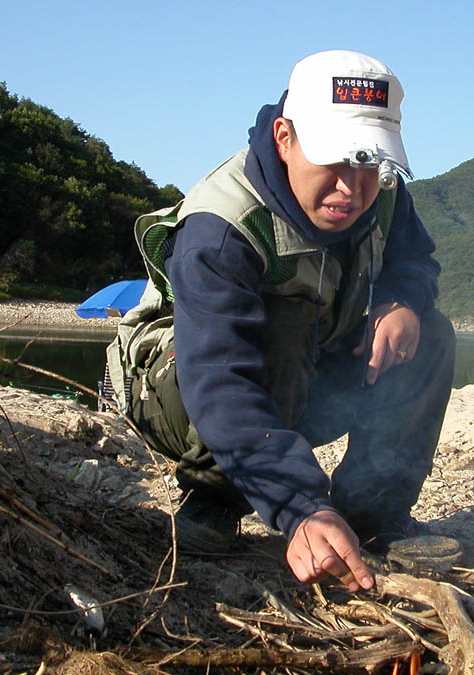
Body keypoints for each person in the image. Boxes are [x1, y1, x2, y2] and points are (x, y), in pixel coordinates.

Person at [131, 50, 456, 592]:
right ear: (284, 138)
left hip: (305, 375)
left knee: (431, 334)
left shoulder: (384, 195)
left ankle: (373, 513)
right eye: (334, 161)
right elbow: (220, 379)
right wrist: (300, 507)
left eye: (369, 164)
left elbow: (414, 259)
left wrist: (403, 300)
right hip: (183, 392)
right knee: (281, 320)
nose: (351, 188)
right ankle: (216, 496)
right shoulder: (221, 229)